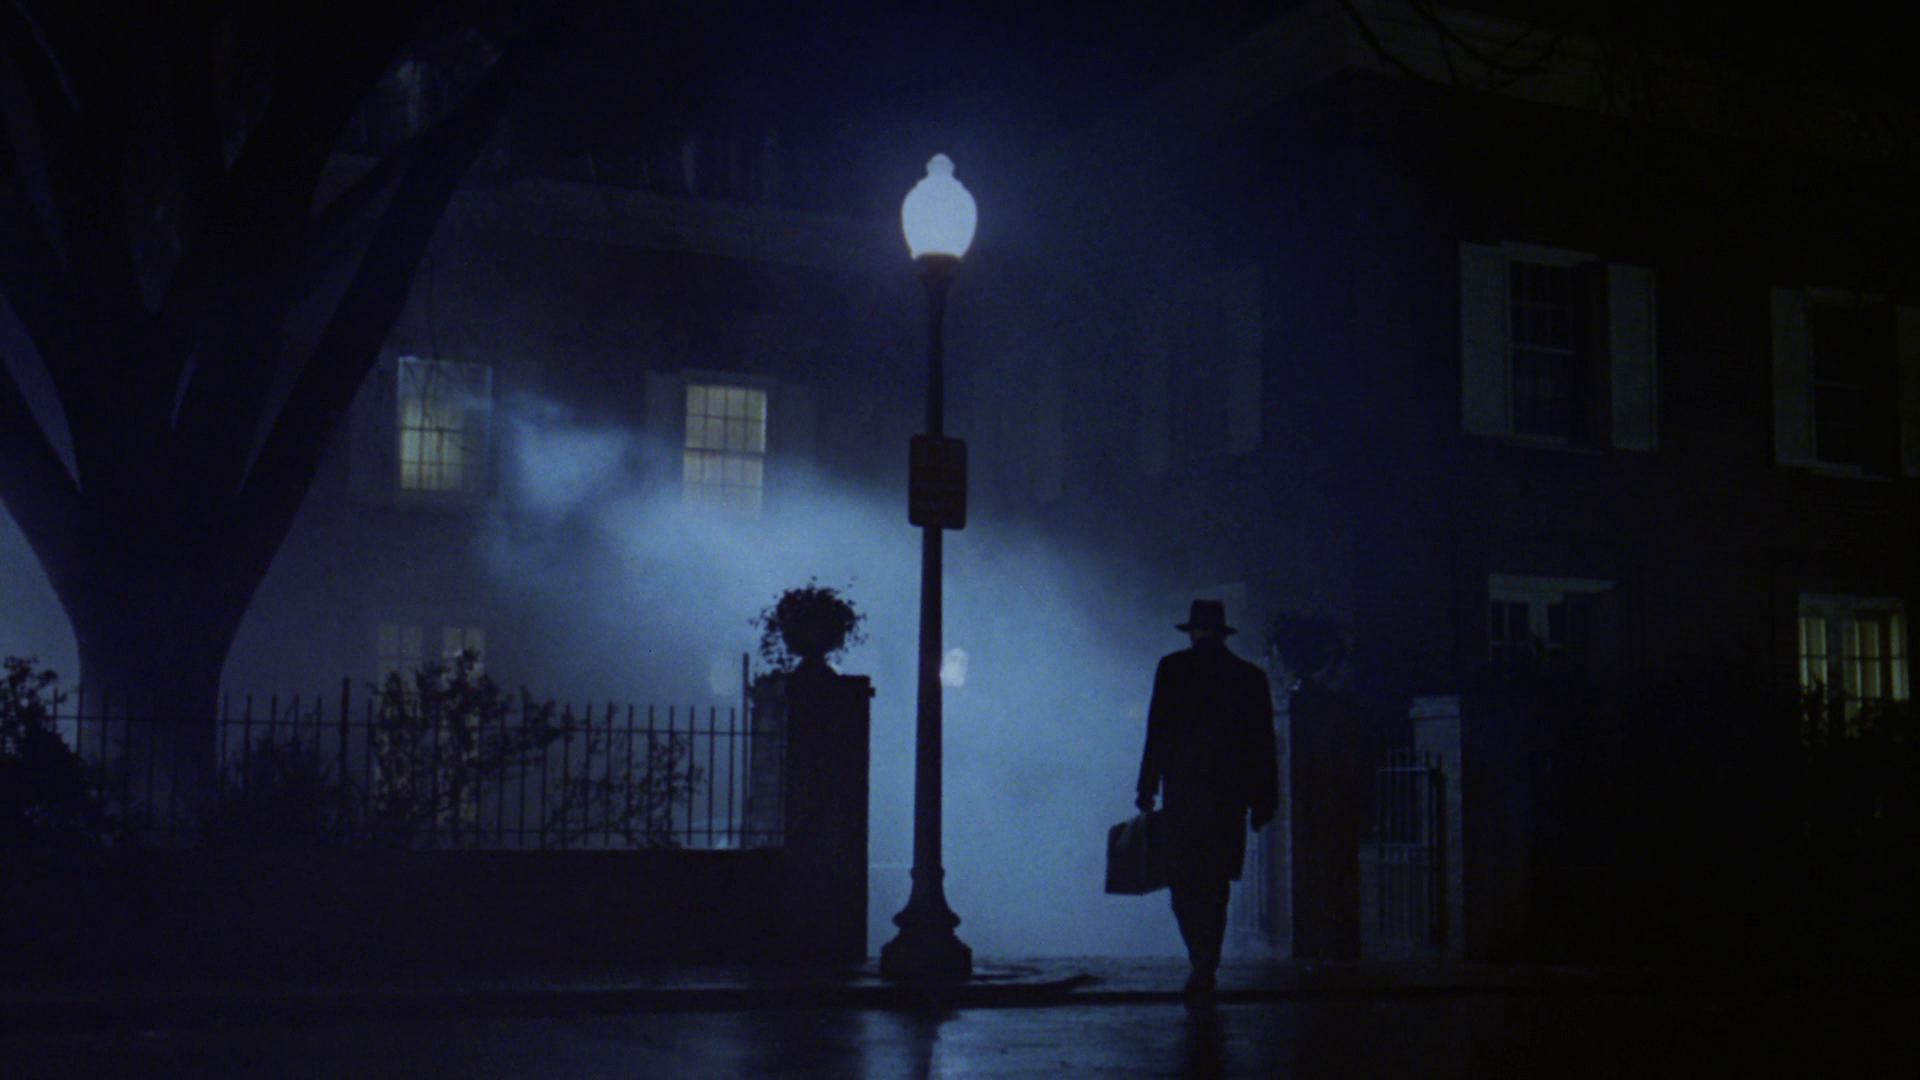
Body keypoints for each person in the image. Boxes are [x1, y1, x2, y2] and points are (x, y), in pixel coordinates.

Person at [1136, 599, 1278, 997]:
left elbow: (1157, 731)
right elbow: (1263, 745)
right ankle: (1206, 960)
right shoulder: (1248, 677)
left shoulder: (1173, 669)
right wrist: (1264, 799)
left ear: (1194, 631)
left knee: (1182, 880)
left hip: (1184, 794)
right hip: (1228, 797)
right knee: (1216, 884)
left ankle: (1200, 956)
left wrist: (1146, 786)